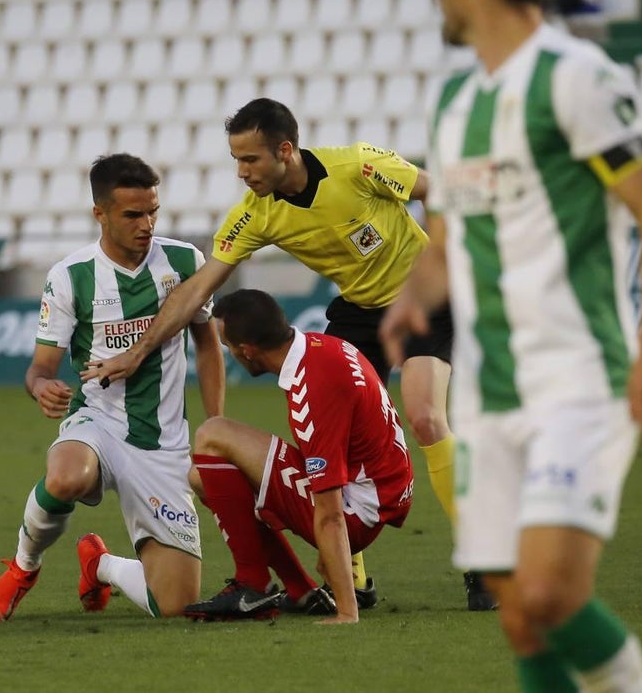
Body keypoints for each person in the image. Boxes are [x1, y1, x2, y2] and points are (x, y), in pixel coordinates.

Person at [379, 0, 642, 690]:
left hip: (580, 377)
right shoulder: (453, 105)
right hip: (488, 390)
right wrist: (414, 296)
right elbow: (445, 244)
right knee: (520, 613)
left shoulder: (577, 77)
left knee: (550, 591)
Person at [83, 97, 495, 610]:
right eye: (236, 160)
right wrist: (139, 351)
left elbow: (438, 190)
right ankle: (354, 577)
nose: (242, 172)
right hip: (360, 310)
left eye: (250, 159)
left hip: (426, 297)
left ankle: (484, 562)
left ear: (285, 150)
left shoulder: (359, 166)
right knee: (331, 434)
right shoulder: (256, 215)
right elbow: (197, 289)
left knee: (427, 415)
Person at [0, 153, 225, 622]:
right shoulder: (71, 277)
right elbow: (40, 368)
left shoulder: (184, 261)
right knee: (66, 476)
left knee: (173, 606)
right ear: (101, 213)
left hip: (164, 443)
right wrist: (42, 387)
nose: (146, 223)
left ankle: (101, 564)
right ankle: (23, 568)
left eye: (153, 210)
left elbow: (208, 344)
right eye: (133, 214)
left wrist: (213, 427)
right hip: (100, 424)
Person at [182, 289, 414, 624]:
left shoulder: (313, 388)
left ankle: (254, 584)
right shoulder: (321, 348)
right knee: (205, 476)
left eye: (228, 346)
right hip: (381, 491)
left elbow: (331, 514)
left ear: (246, 351)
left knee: (212, 435)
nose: (230, 353)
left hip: (358, 513)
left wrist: (347, 611)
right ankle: (299, 589)